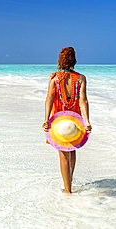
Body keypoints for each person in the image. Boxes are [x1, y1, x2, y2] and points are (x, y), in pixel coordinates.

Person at [42, 47, 92, 194]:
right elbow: (84, 101)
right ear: (75, 61)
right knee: (72, 150)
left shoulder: (54, 78)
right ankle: (69, 183)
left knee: (64, 155)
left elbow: (49, 100)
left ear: (60, 61)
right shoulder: (81, 79)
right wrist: (87, 121)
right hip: (75, 120)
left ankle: (68, 190)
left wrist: (46, 120)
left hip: (59, 120)